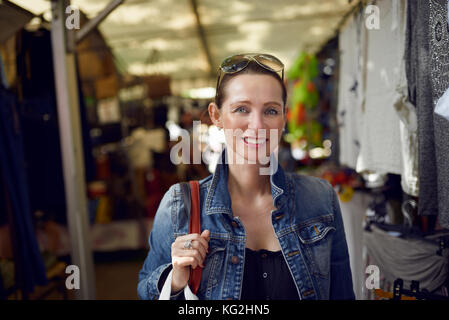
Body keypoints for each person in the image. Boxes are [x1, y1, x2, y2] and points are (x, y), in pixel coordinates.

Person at [138, 53, 355, 300]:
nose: (257, 125)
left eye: (271, 111)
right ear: (217, 116)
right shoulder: (180, 205)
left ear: (284, 117)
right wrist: (175, 279)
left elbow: (343, 293)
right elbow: (146, 291)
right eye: (242, 109)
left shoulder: (320, 197)